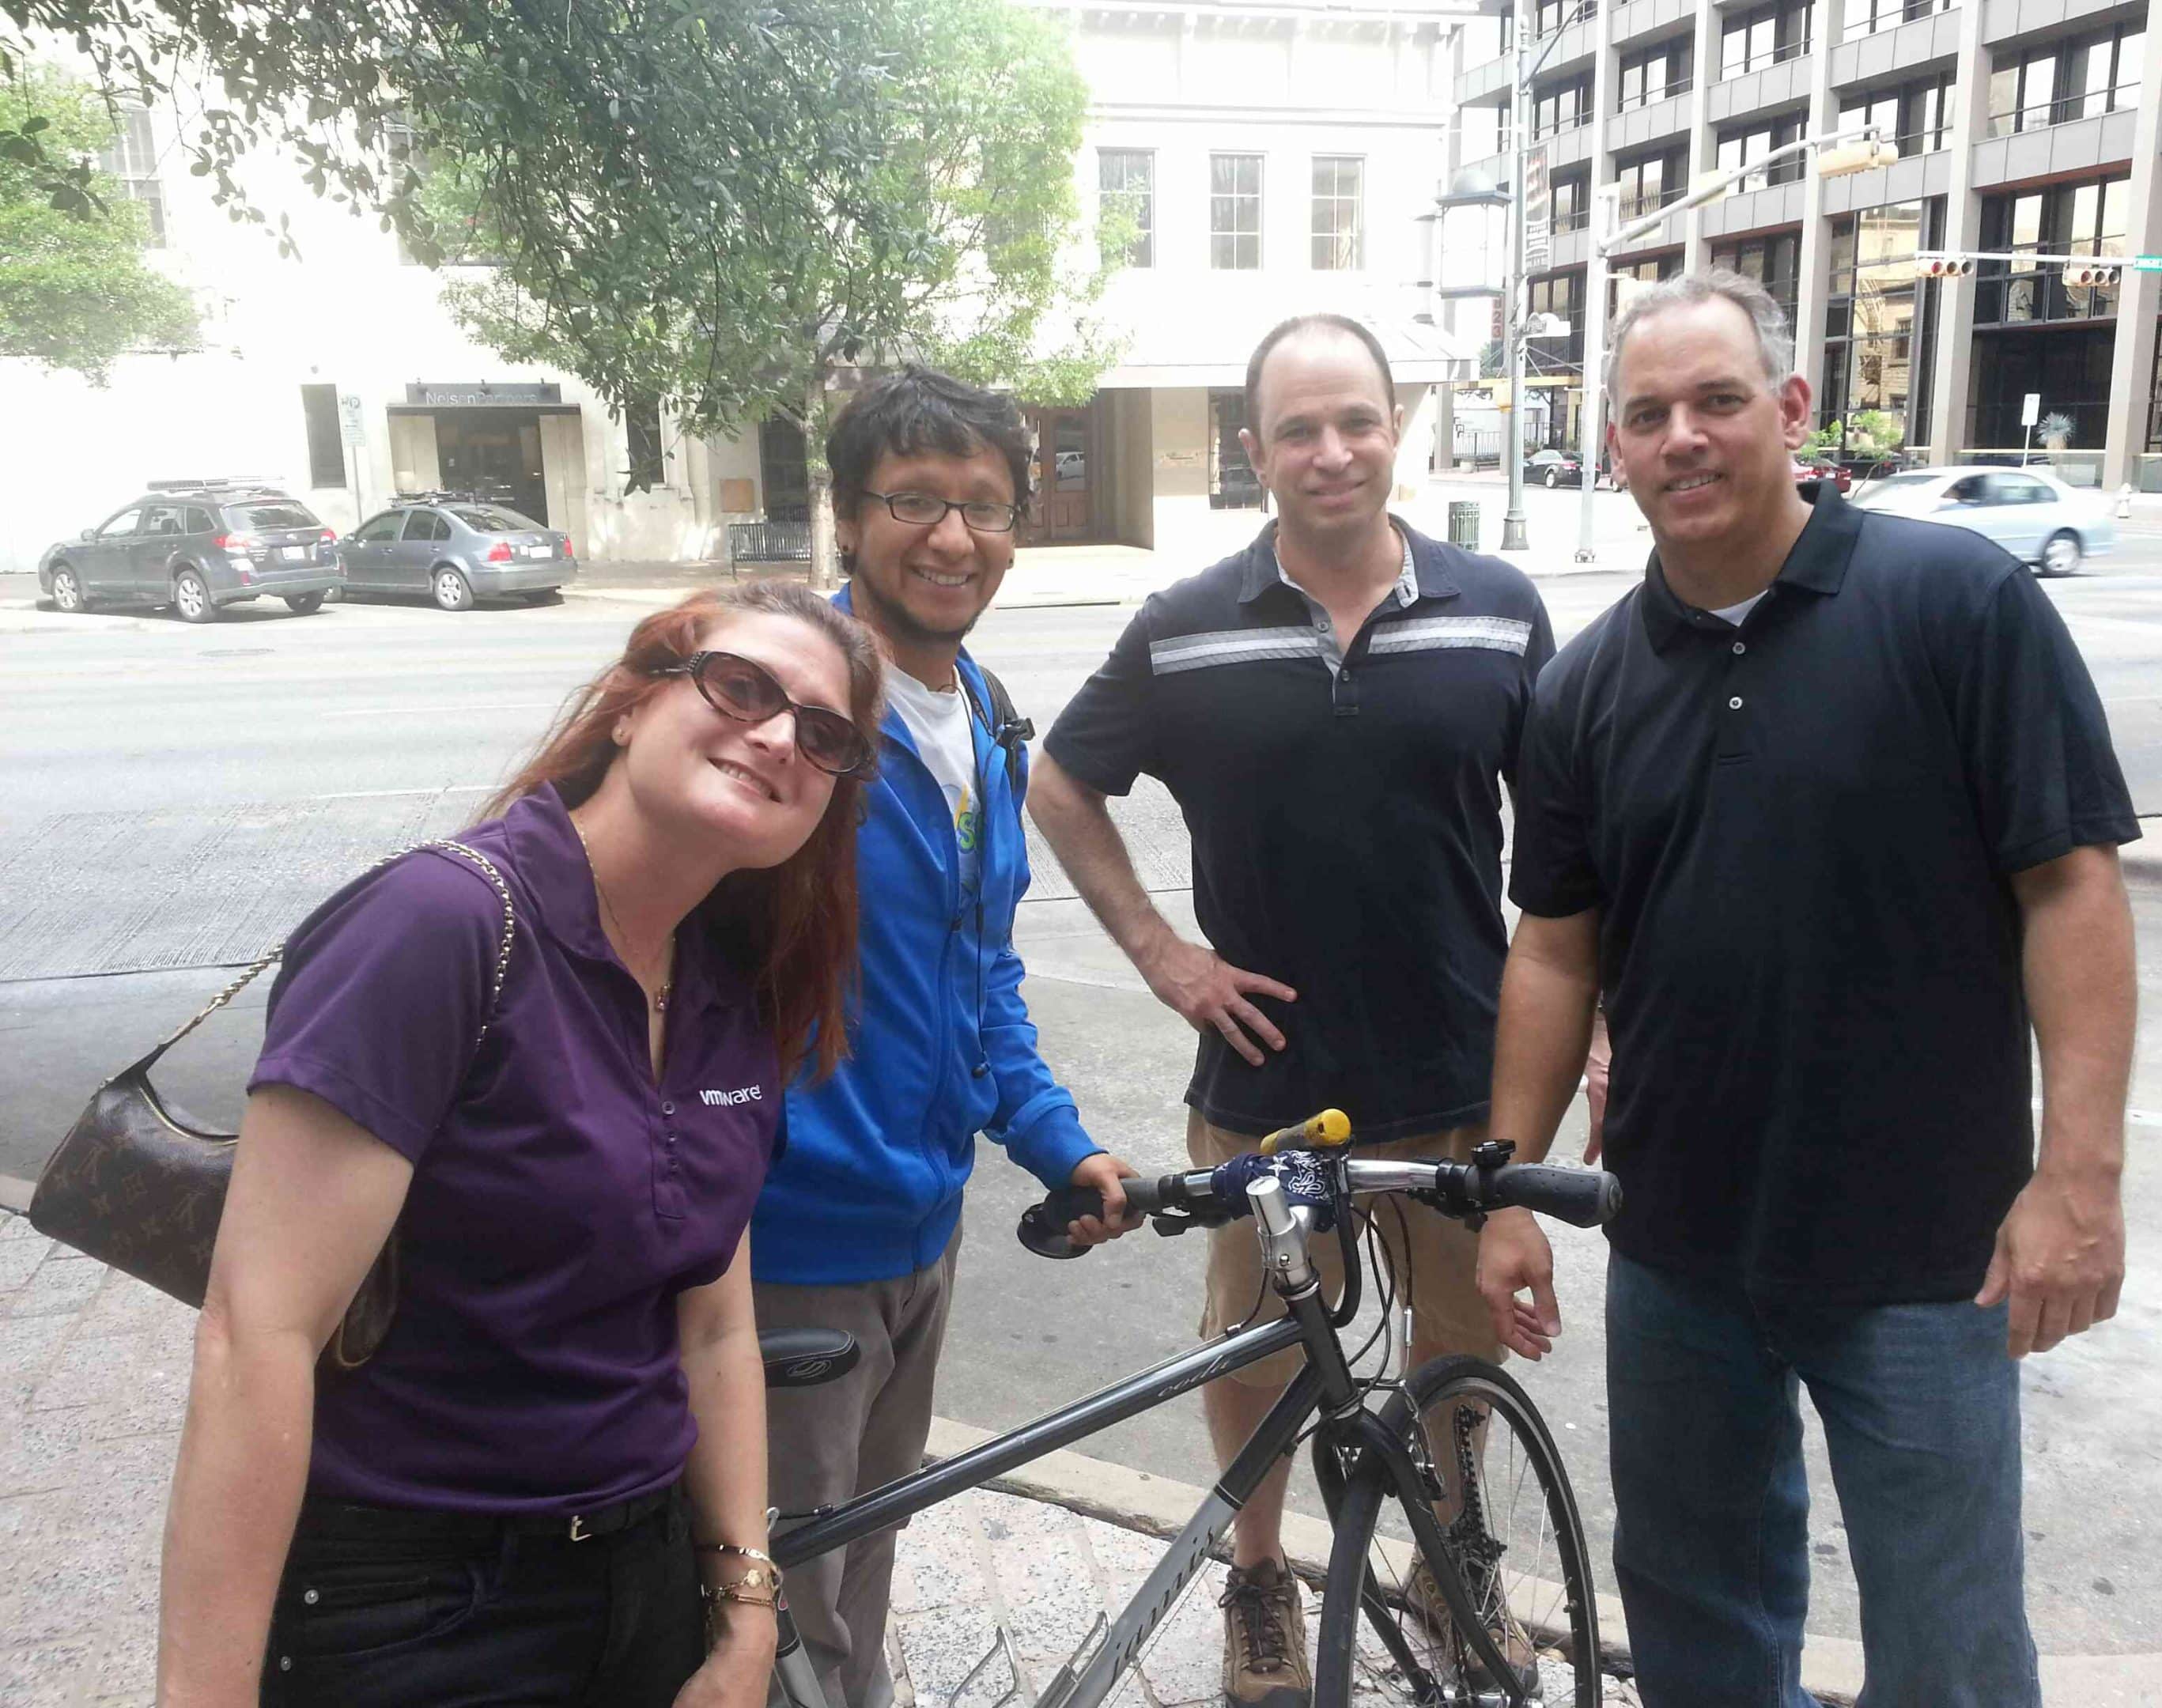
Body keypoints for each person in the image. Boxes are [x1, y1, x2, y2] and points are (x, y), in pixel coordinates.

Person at [1479, 270, 2137, 1707]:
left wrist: (2077, 1179)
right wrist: (1516, 1185)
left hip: (1928, 1251)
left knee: (1948, 1648)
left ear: (1789, 410)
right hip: (1675, 1244)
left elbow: (2071, 889)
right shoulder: (1583, 690)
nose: (1684, 439)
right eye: (1647, 415)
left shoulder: (1955, 604)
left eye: (1718, 401)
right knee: (1700, 1626)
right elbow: (1555, 948)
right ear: (1613, 450)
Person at [157, 580, 885, 1706]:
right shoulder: (440, 926)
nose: (781, 734)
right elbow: (258, 1338)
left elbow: (714, 1327)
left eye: (825, 733)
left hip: (643, 1587)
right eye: (741, 687)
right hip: (417, 1603)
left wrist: (745, 1615)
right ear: (633, 704)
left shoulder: (727, 992)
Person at [1029, 315, 1555, 1708]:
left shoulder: (1500, 607)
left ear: (1400, 428)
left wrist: (1594, 1034)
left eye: (1358, 422)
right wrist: (1161, 951)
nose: (1333, 453)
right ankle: (1258, 1579)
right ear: (1254, 451)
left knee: (1457, 1350)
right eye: (1301, 431)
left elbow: (1569, 853)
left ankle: (1460, 1568)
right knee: (1257, 1349)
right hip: (1266, 1086)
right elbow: (1062, 784)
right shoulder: (1185, 626)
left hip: (1458, 1073)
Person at [746, 365, 1135, 1708]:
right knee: (779, 1616)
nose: (953, 538)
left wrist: (1055, 1142)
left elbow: (980, 985)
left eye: (984, 506)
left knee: (861, 1559)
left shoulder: (985, 718)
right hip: (786, 1245)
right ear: (849, 518)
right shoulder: (786, 711)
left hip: (924, 1235)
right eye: (914, 500)